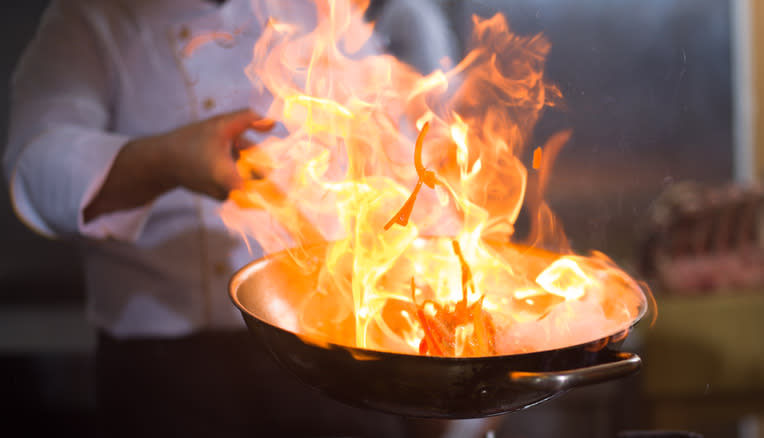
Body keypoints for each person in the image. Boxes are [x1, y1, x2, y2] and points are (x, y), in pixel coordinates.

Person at [4, 0, 461, 436]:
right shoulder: (90, 17)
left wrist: (460, 381)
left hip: (331, 357)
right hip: (168, 372)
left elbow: (399, 166)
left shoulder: (317, 10)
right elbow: (35, 165)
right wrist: (163, 160)